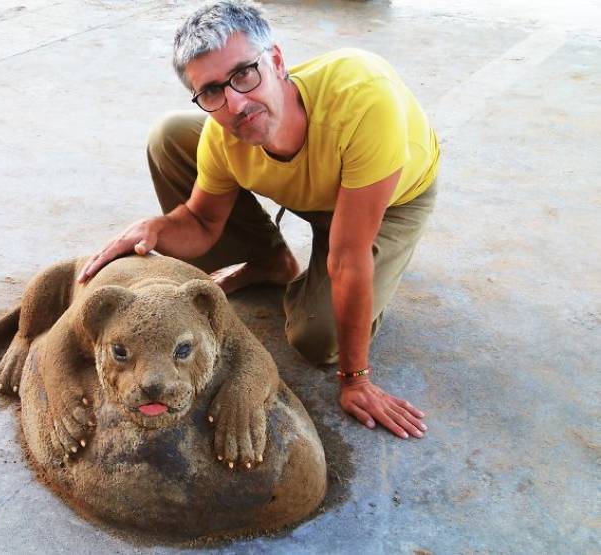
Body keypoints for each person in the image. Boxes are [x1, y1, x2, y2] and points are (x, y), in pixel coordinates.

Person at [78, 0, 439, 440]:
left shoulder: (364, 98)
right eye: (212, 91)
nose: (235, 102)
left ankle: (385, 262)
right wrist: (157, 228)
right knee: (169, 137)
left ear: (278, 61)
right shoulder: (221, 135)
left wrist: (355, 379)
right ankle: (271, 263)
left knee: (319, 339)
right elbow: (202, 221)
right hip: (308, 189)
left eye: (244, 74)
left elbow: (348, 258)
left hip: (388, 199)